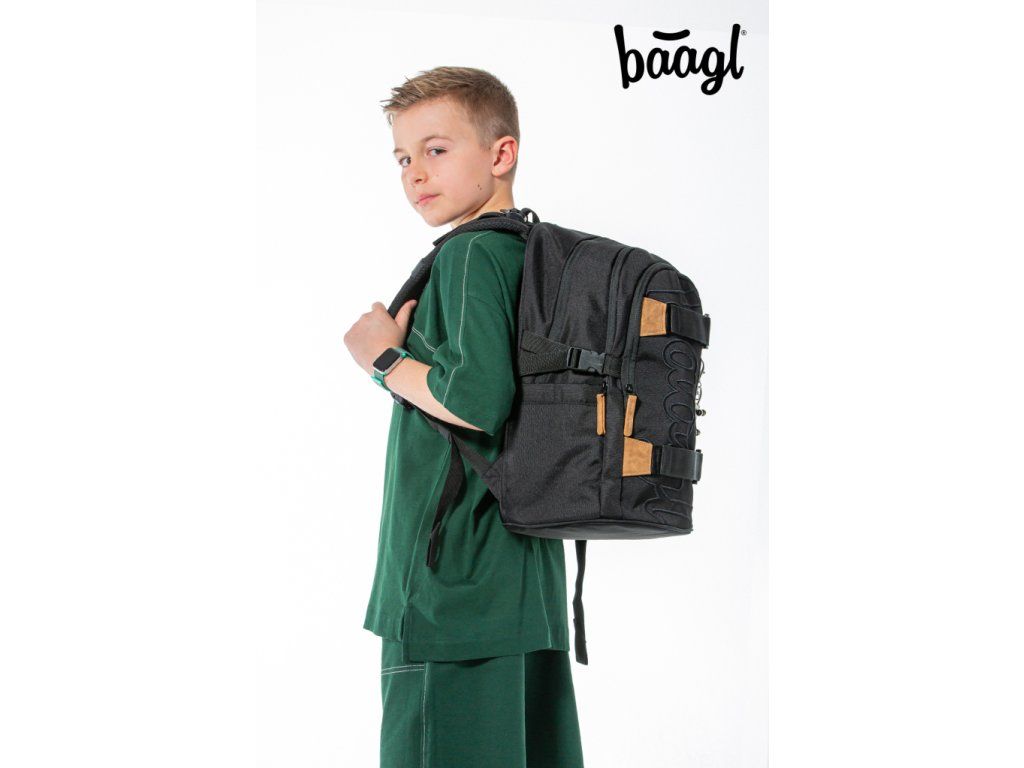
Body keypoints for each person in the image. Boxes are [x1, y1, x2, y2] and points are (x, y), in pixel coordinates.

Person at [343, 66, 586, 768]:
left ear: (501, 153)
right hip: (522, 582)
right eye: (402, 158)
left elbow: (477, 401)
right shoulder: (527, 254)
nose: (415, 173)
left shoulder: (471, 253)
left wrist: (382, 359)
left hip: (451, 591)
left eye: (437, 149)